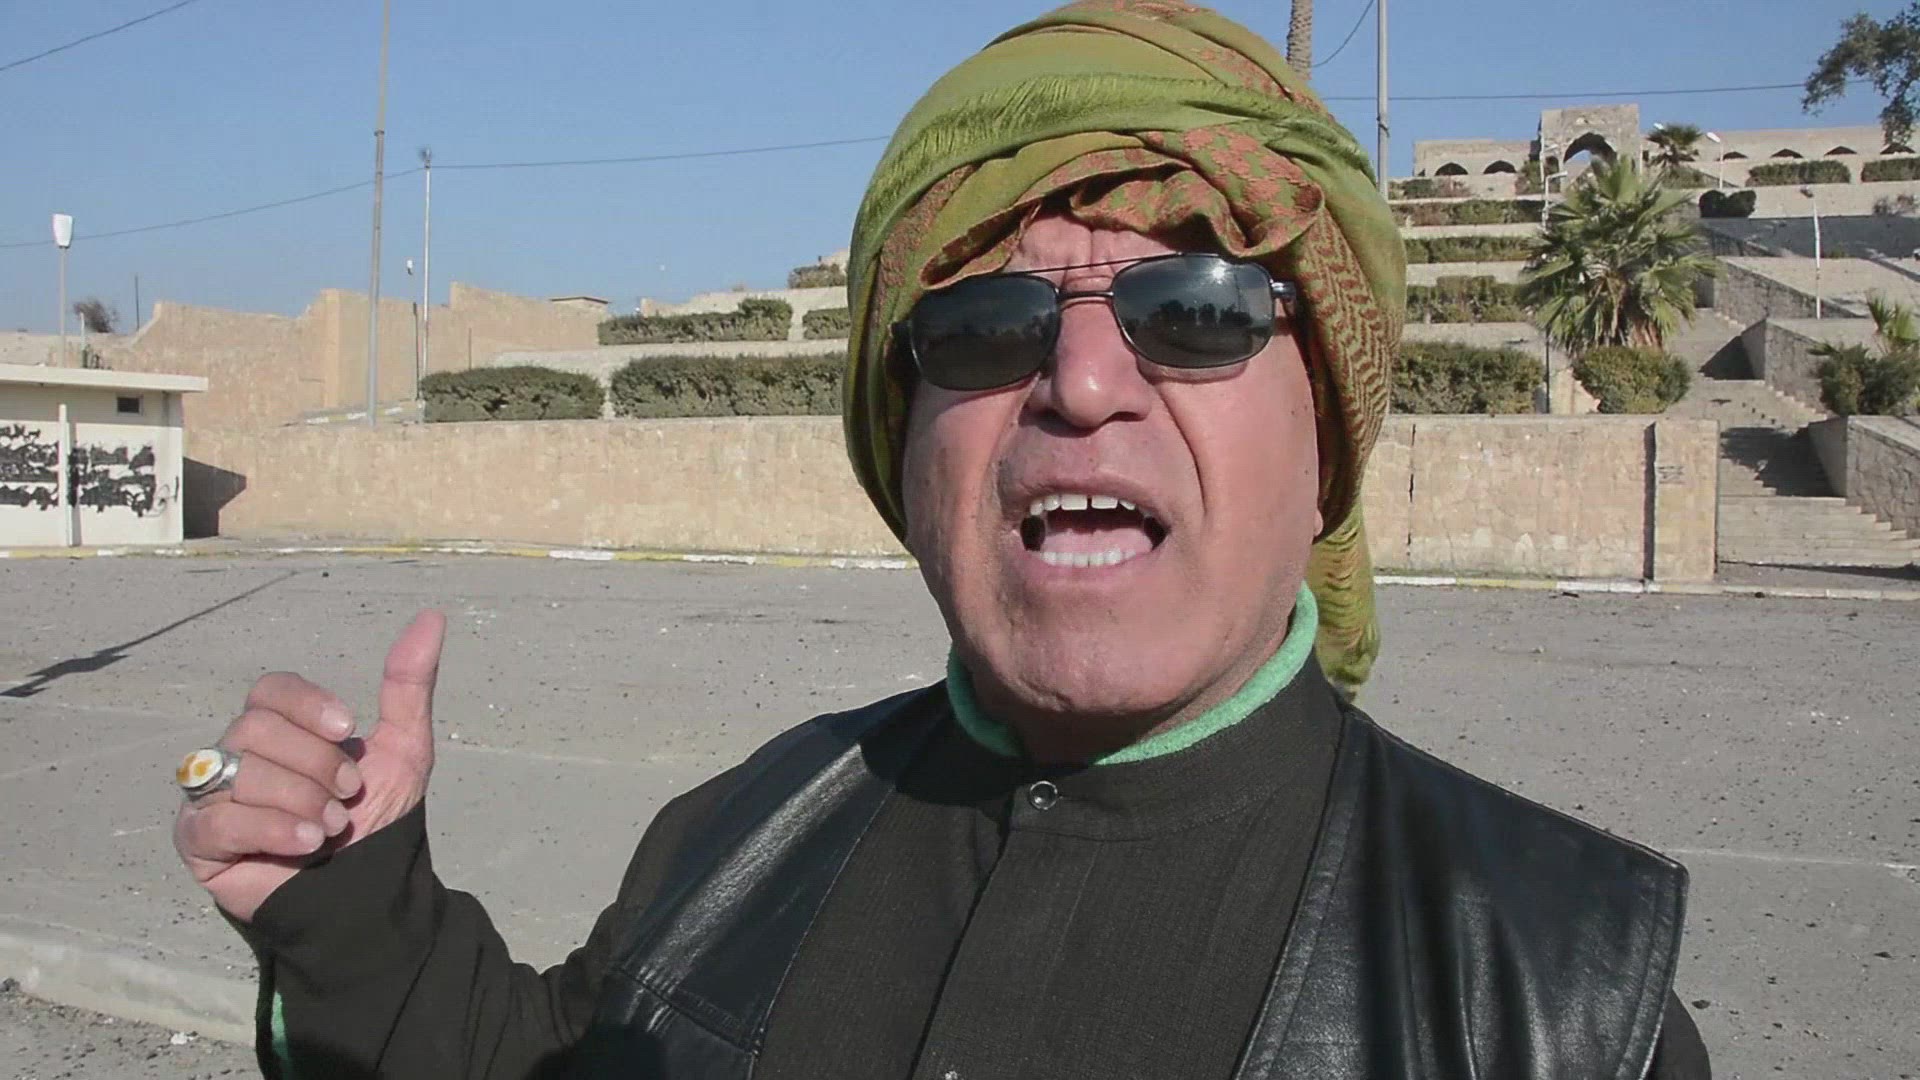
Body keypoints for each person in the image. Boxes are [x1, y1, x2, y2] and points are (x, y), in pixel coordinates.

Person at [171, 3, 1711, 1077]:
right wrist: (349, 913)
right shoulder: (743, 834)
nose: (1084, 383)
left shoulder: (1562, 1003)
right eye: (985, 324)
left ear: (1327, 442)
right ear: (905, 453)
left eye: (1197, 310)